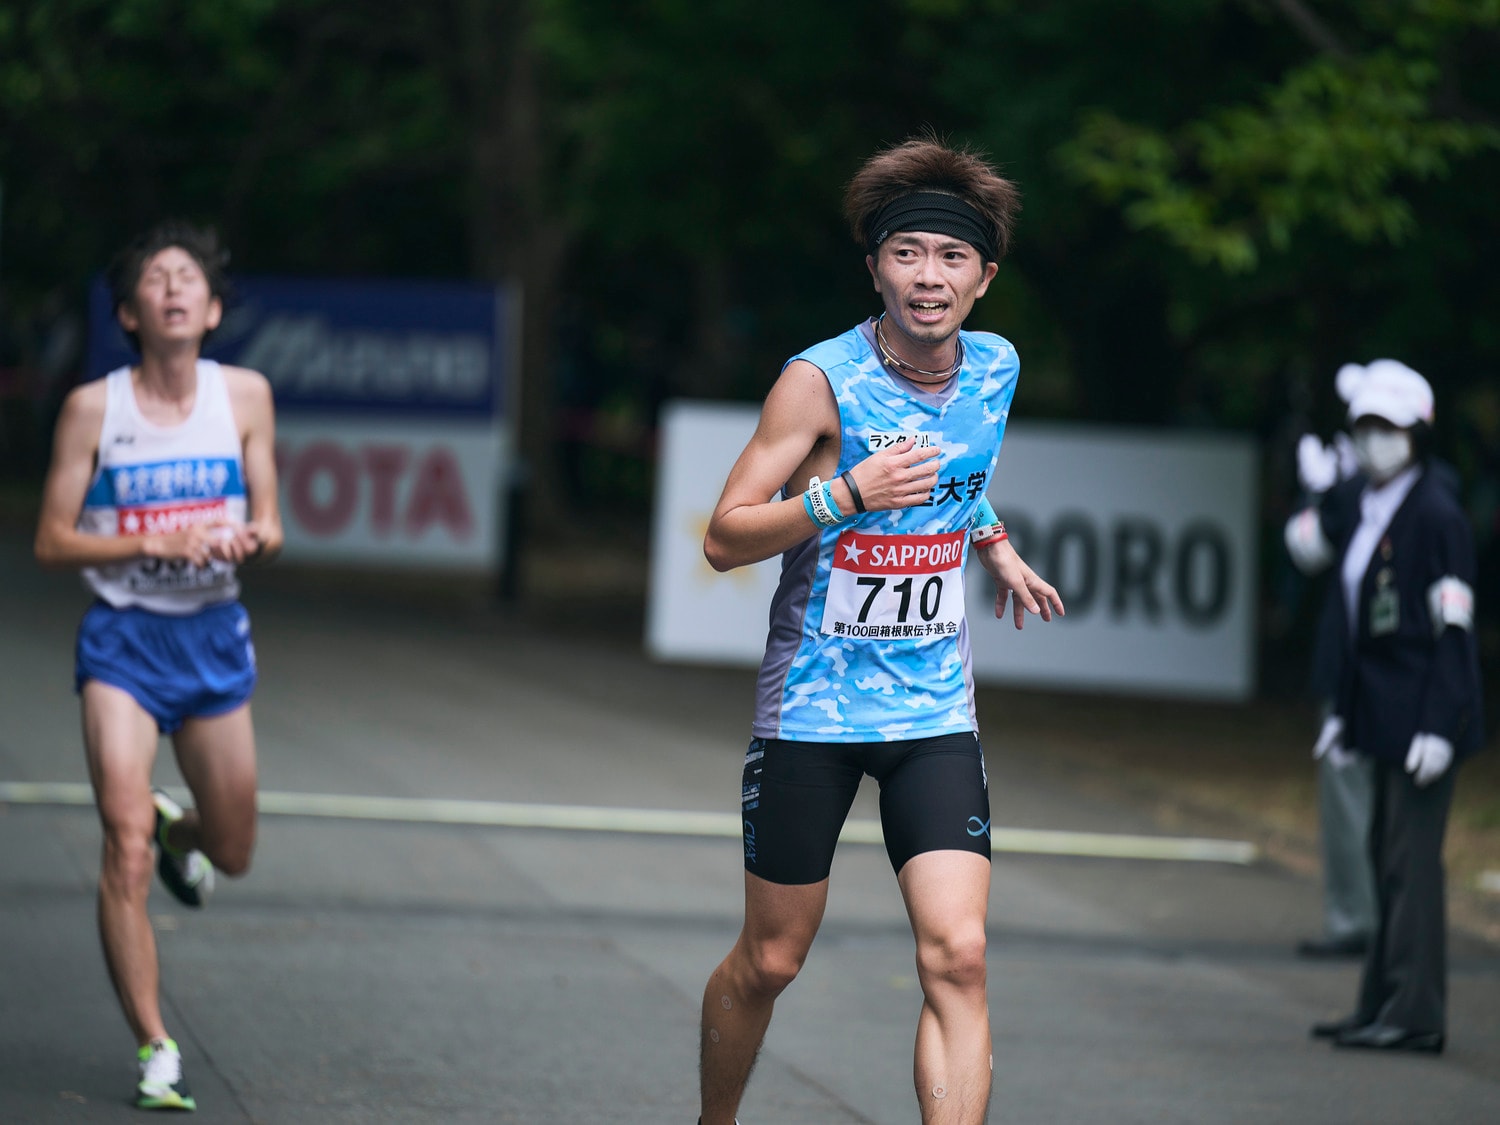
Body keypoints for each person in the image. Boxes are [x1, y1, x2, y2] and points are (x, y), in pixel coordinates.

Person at [695, 137, 1065, 1125]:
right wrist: (844, 495)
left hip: (932, 708)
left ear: (984, 279)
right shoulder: (819, 381)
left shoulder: (995, 369)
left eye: (952, 259)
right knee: (772, 959)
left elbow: (960, 475)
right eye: (908, 253)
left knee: (961, 955)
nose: (928, 276)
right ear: (875, 269)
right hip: (813, 711)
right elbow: (727, 538)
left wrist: (992, 544)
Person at [34, 220, 282, 1109]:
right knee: (122, 840)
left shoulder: (245, 395)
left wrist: (250, 537)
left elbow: (273, 520)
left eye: (187, 278)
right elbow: (51, 538)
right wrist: (156, 536)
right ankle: (156, 1044)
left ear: (211, 309)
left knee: (235, 847)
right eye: (154, 279)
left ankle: (187, 835)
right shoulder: (94, 410)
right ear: (132, 313)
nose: (172, 287)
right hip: (124, 639)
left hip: (212, 634)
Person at [1288, 360, 1484, 1053]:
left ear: (1417, 434)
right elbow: (1356, 626)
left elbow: (1452, 632)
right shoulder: (1373, 505)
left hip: (1422, 720)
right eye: (1364, 426)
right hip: (1378, 717)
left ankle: (1417, 1012)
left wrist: (1441, 723)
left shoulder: (1435, 512)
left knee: (1412, 865)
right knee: (1382, 861)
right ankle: (1380, 1002)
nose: (1373, 440)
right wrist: (1342, 712)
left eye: (1387, 428)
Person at [1285, 381, 1376, 961]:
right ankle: (1368, 921)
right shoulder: (1359, 486)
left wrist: (1320, 498)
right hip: (1357, 669)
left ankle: (1361, 923)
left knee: (1359, 804)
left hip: (1373, 673)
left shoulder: (1357, 489)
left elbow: (1306, 547)